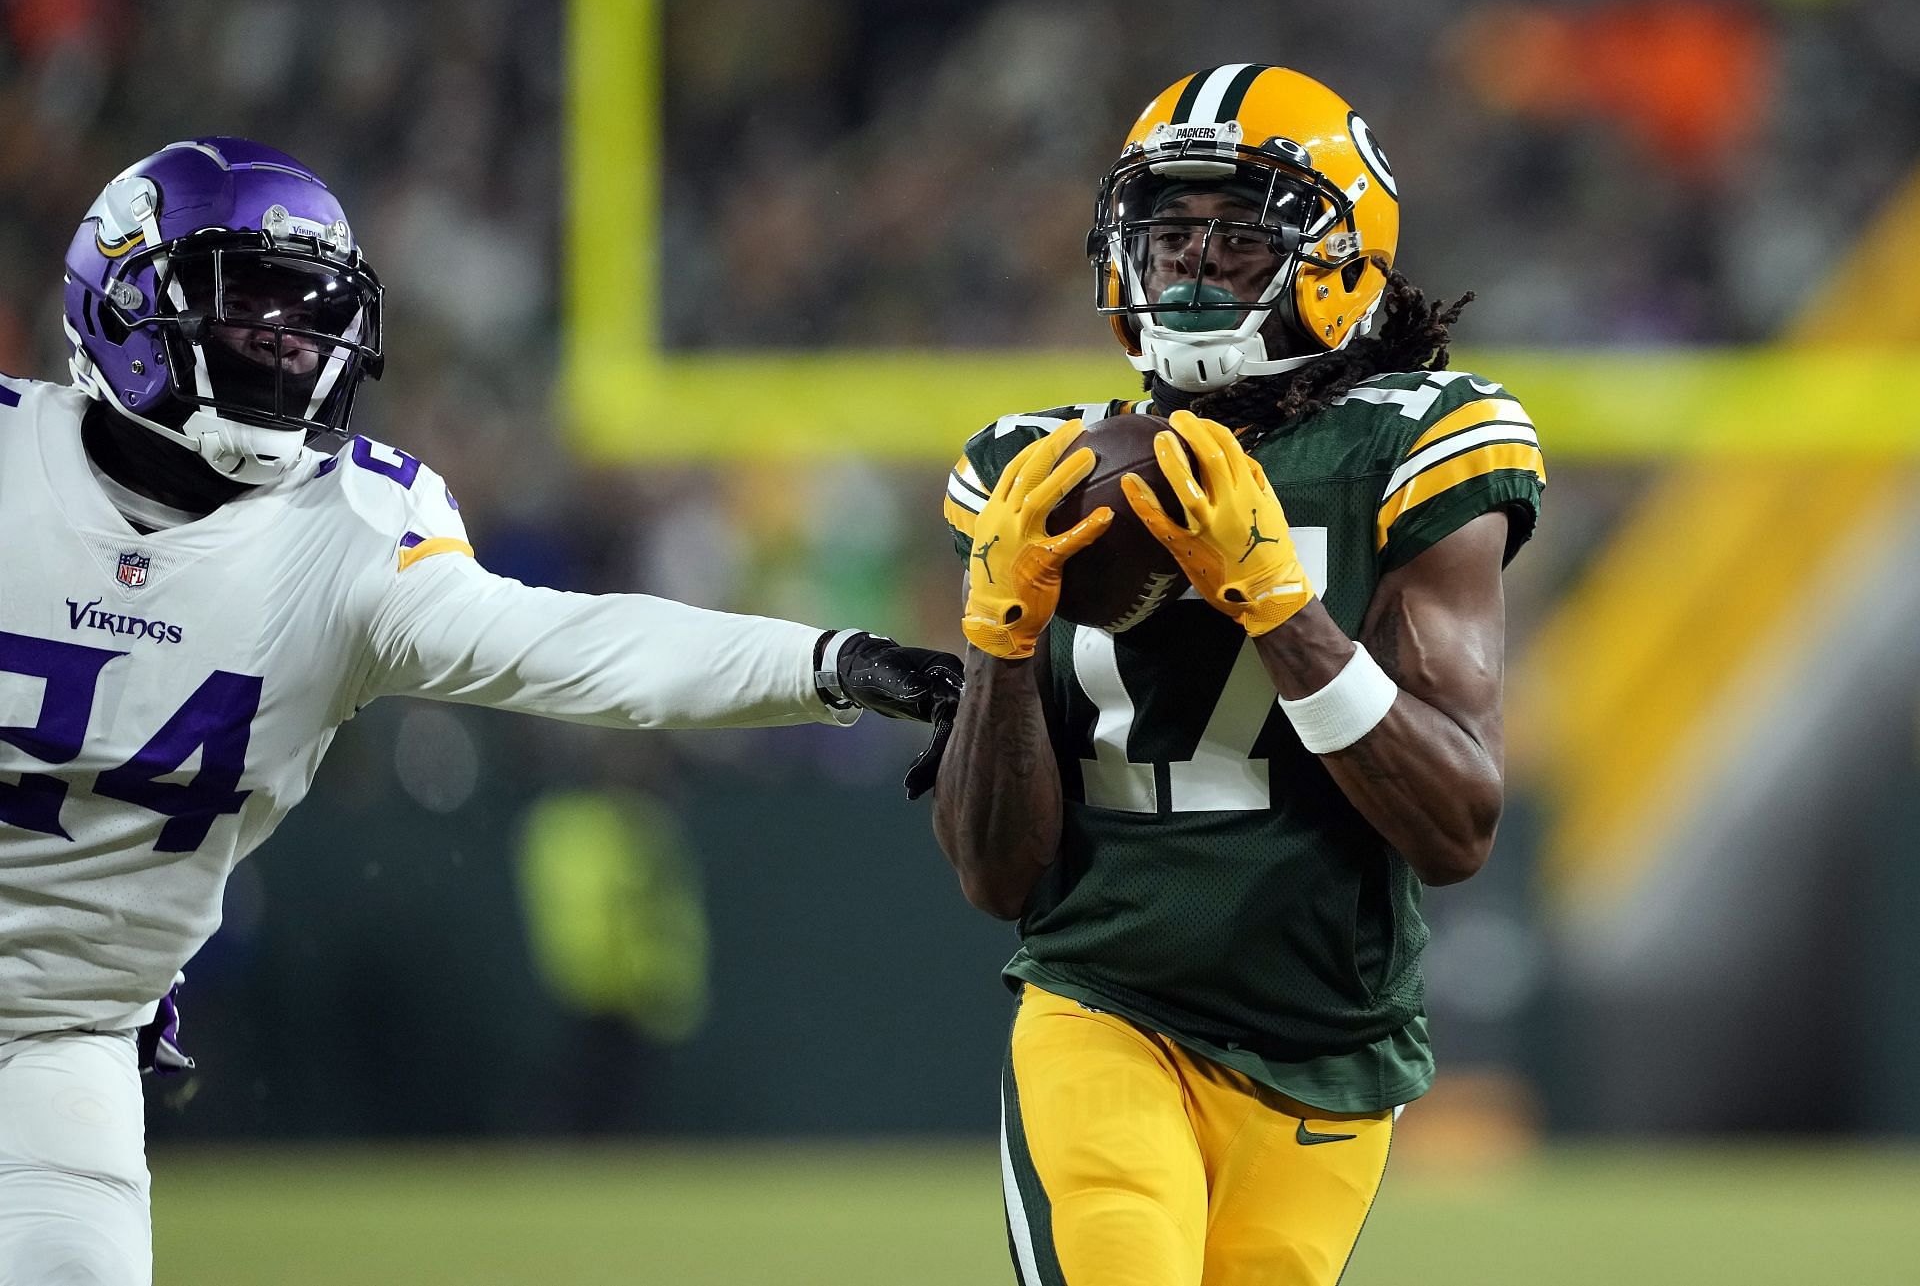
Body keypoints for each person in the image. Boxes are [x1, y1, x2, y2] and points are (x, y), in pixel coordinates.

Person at [0, 137, 960, 1286]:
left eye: (308, 313)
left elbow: (573, 646)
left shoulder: (348, 533)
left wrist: (831, 660)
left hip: (63, 1043)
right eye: (244, 302)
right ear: (120, 301)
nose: (284, 339)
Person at [932, 65, 1546, 1285]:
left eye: (1239, 230)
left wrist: (1280, 605)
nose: (1194, 266)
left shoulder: (1420, 441)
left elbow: (1458, 823)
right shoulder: (1040, 467)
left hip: (1326, 1045)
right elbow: (996, 873)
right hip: (1104, 998)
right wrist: (1000, 641)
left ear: (1334, 252)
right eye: (1168, 232)